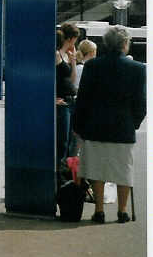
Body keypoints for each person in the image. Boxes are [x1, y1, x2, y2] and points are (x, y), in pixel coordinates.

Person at [73, 25, 146, 223]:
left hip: (96, 127)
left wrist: (78, 125)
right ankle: (122, 211)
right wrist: (134, 123)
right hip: (123, 128)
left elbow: (83, 99)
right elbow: (141, 104)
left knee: (98, 169)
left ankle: (99, 210)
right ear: (125, 44)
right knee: (123, 170)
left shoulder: (92, 66)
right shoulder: (138, 69)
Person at [55, 23, 80, 163]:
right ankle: (60, 172)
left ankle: (65, 171)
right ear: (71, 39)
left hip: (70, 100)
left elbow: (72, 79)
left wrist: (73, 62)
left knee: (70, 140)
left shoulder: (66, 55)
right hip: (62, 101)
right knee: (63, 141)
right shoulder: (57, 54)